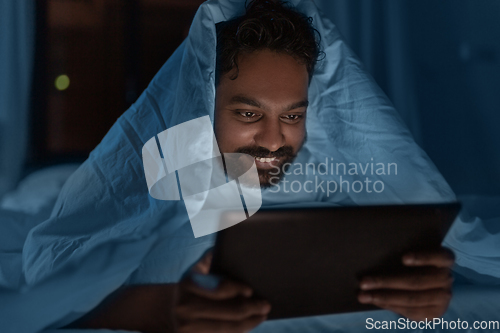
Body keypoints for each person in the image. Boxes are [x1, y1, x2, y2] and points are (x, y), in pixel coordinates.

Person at [7, 0, 459, 333]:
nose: (273, 140)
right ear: (201, 109)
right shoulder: (131, 200)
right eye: (247, 114)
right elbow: (45, 295)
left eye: (292, 116)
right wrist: (155, 308)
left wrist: (420, 293)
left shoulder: (341, 201)